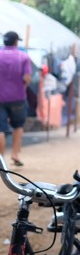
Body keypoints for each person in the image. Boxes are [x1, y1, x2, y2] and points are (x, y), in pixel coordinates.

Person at [0, 31, 31, 167]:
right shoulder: (23, 57)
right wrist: (22, 87)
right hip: (18, 97)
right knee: (18, 126)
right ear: (16, 42)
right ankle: (14, 154)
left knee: (0, 128)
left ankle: (1, 158)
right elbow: (27, 78)